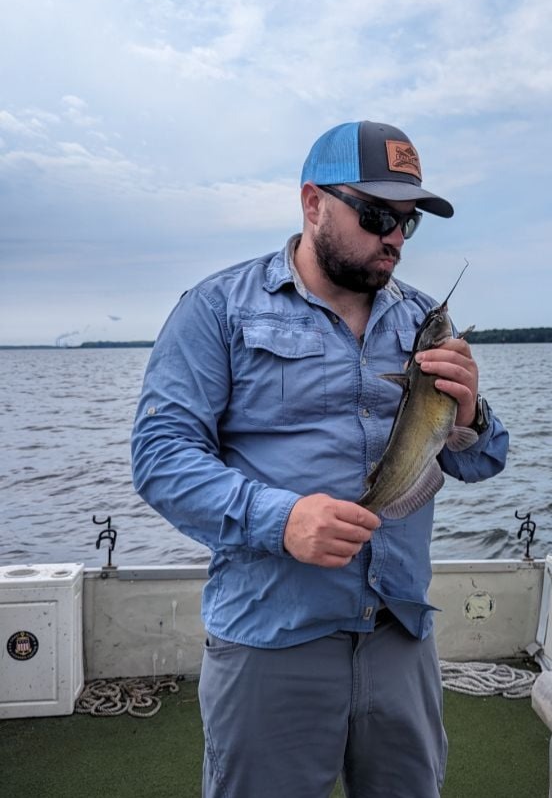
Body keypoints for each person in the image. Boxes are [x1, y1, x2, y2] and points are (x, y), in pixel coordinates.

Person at [131, 120, 509, 798]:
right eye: (377, 216)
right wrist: (283, 520)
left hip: (400, 636)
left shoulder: (424, 320)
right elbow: (161, 457)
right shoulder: (217, 309)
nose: (395, 238)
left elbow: (482, 461)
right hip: (272, 637)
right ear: (313, 203)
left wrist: (470, 416)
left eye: (408, 222)